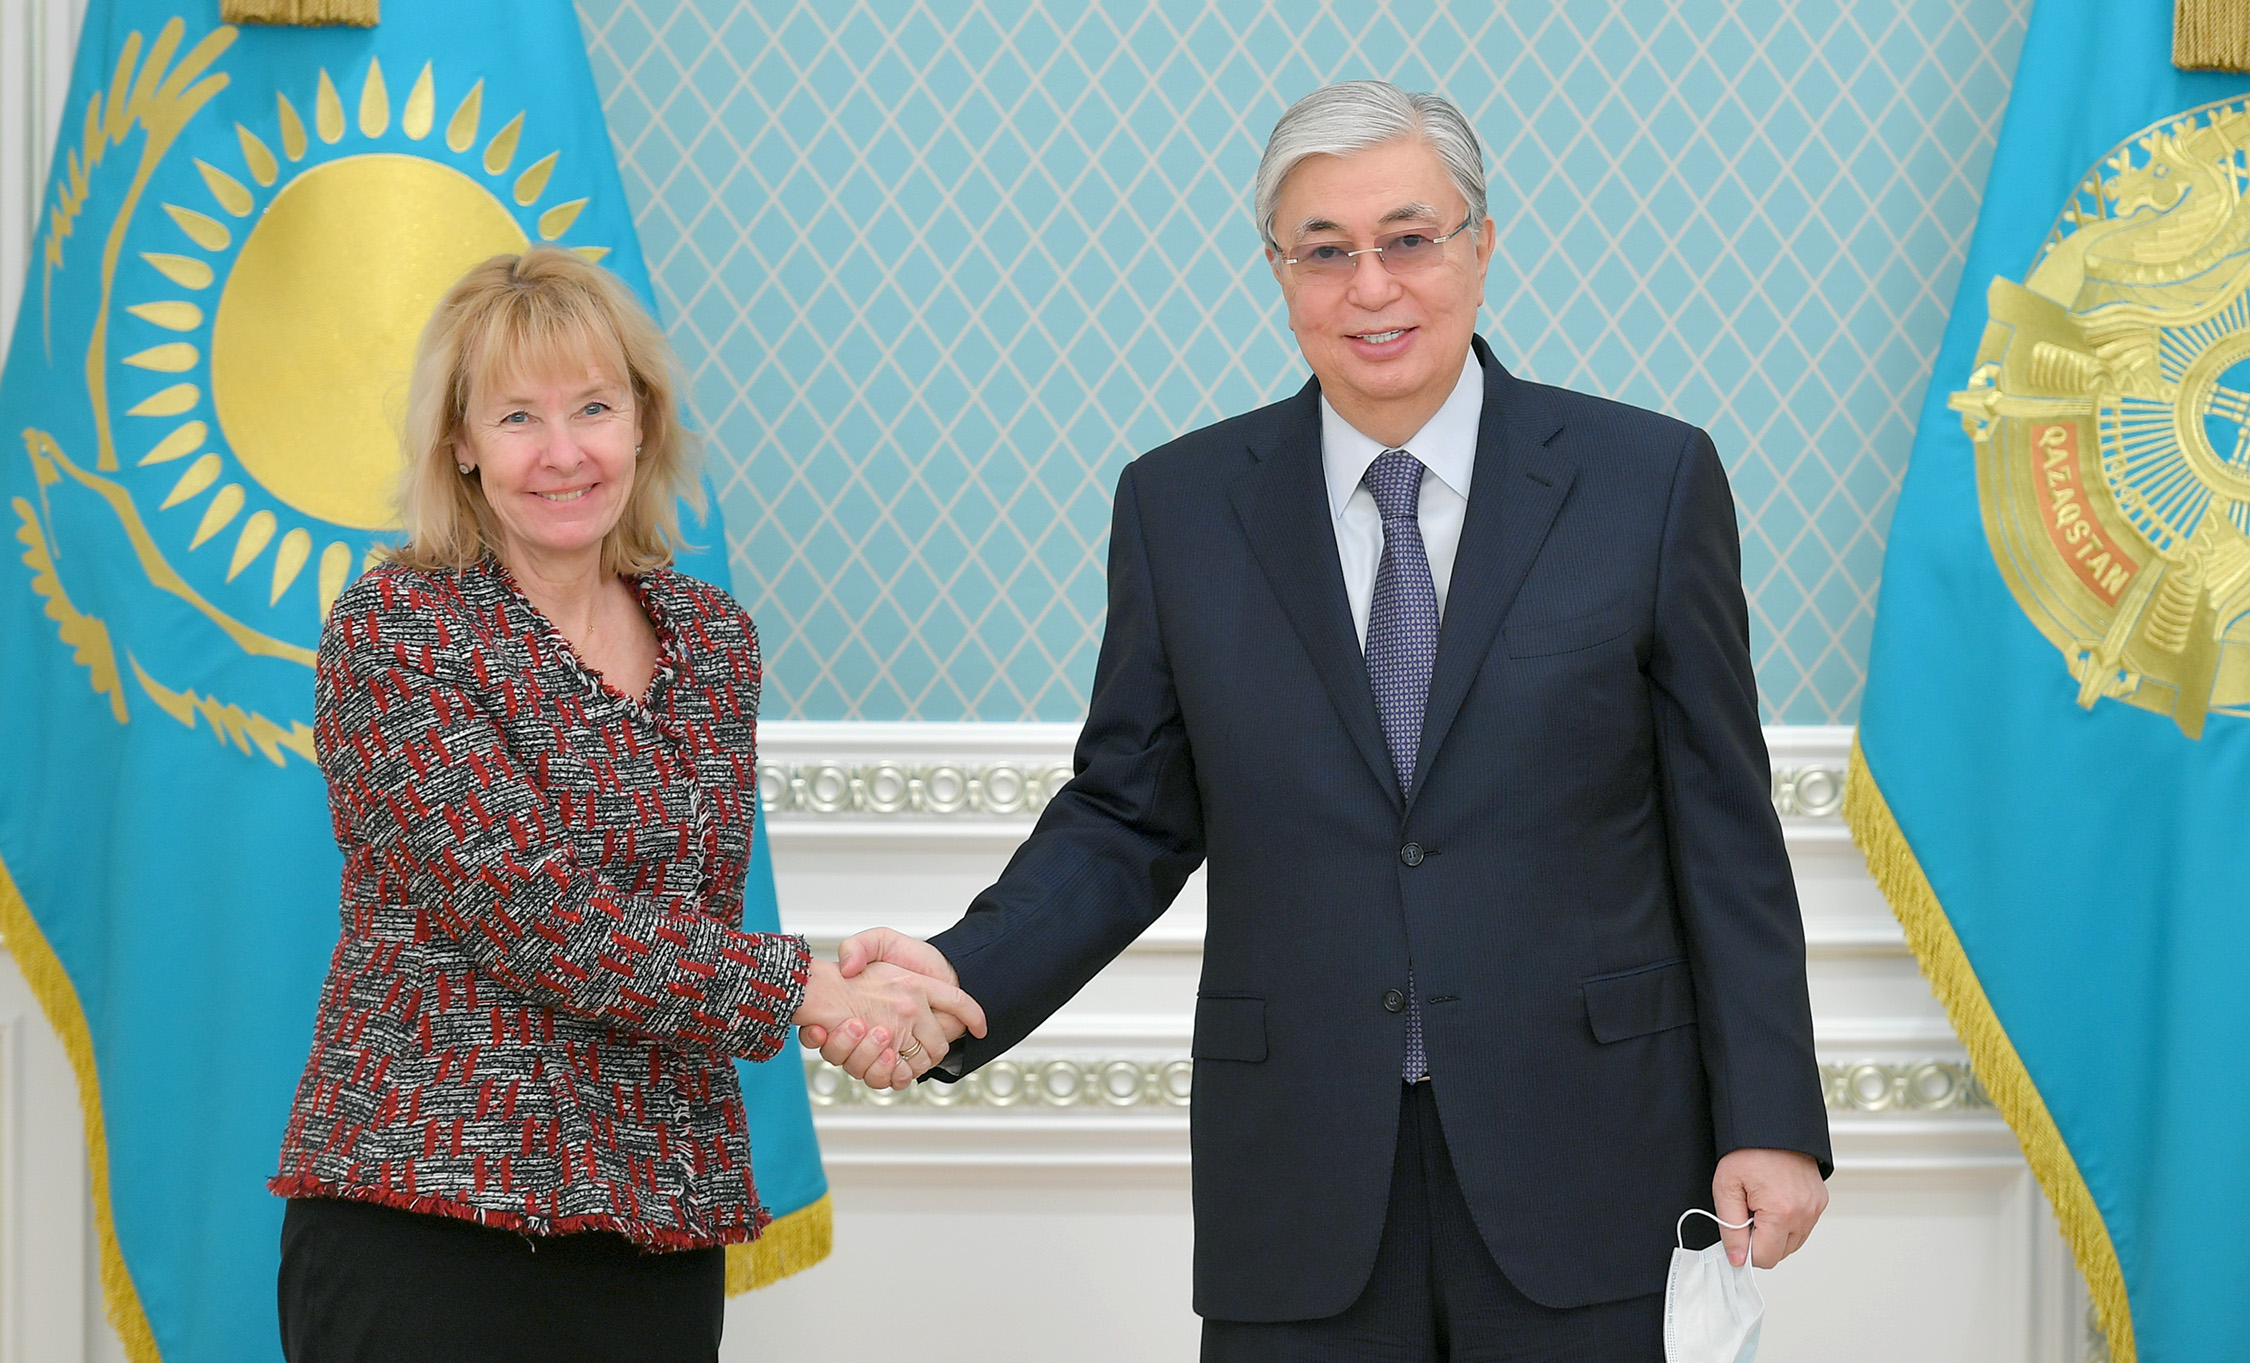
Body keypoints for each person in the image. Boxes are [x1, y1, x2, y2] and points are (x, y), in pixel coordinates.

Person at [811, 82, 1832, 1359]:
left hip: (1590, 1156)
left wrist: (1771, 1115)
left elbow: (1723, 826)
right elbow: (1128, 814)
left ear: (1480, 246)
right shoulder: (1180, 506)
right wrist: (957, 980)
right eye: (1326, 251)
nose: (1372, 287)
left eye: (1410, 239)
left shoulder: (1648, 480)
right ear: (1279, 272)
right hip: (1300, 1176)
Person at [269, 247, 983, 1363]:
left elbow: (688, 924)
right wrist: (814, 986)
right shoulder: (396, 632)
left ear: (642, 422)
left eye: (594, 407)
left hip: (657, 1219)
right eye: (517, 416)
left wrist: (849, 997)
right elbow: (533, 915)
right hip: (431, 1214)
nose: (564, 452)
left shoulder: (712, 640)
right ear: (460, 441)